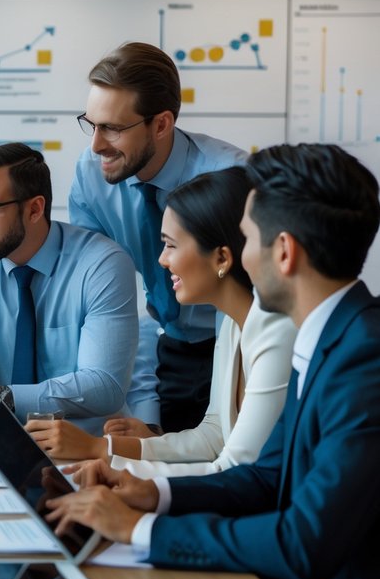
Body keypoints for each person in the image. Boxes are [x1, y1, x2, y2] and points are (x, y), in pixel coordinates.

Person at [47, 143, 380, 579]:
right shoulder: (334, 337)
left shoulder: (363, 358)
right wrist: (151, 495)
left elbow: (303, 541)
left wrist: (139, 530)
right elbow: (265, 477)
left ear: (284, 252)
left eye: (247, 238)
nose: (242, 255)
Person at [28, 168, 297, 469]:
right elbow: (214, 434)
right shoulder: (230, 319)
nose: (162, 260)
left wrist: (113, 467)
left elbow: (236, 469)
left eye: (170, 245)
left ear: (221, 258)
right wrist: (107, 448)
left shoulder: (278, 332)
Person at [69, 42, 247, 433]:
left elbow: (254, 307)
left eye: (112, 129)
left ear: (162, 124)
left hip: (235, 350)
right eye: (91, 124)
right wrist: (147, 418)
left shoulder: (233, 179)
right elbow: (108, 302)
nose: (96, 145)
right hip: (159, 346)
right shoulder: (92, 174)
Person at [0, 143, 137, 431]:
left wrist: (0, 397)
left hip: (86, 449)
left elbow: (104, 386)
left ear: (34, 209)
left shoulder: (102, 265)